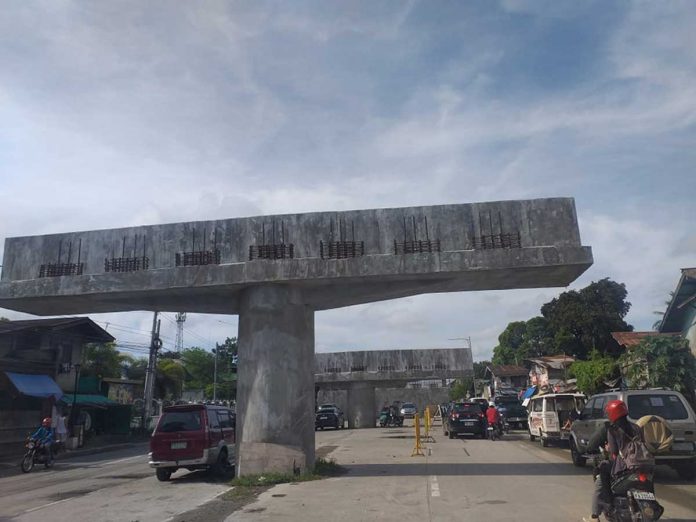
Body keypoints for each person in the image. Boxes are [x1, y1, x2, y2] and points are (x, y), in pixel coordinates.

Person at [586, 400, 643, 520]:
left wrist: (608, 449)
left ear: (611, 414)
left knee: (601, 475)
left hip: (623, 467)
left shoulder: (611, 429)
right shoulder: (636, 427)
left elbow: (614, 453)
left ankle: (602, 509)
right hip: (640, 464)